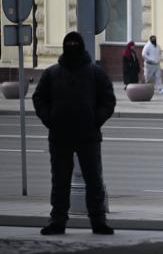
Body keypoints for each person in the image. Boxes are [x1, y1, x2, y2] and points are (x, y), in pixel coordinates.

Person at [32, 31, 116, 235]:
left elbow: (108, 100)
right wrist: (49, 119)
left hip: (88, 136)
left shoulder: (95, 73)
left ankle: (98, 221)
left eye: (74, 43)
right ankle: (58, 220)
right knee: (59, 180)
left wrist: (96, 120)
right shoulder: (52, 73)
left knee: (94, 179)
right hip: (60, 136)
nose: (71, 46)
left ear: (81, 46)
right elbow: (38, 98)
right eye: (67, 43)